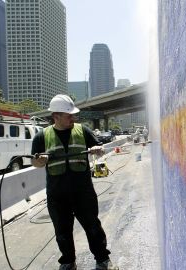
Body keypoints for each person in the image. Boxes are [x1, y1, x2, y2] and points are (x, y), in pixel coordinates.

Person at [31, 94, 118, 270]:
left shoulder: (83, 131)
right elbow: (36, 163)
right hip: (57, 195)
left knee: (93, 227)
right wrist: (41, 159)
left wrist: (97, 149)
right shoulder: (41, 137)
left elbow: (99, 149)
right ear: (56, 116)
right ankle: (68, 262)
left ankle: (102, 259)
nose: (73, 118)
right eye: (69, 115)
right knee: (62, 233)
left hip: (83, 192)